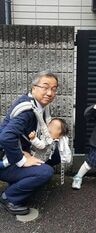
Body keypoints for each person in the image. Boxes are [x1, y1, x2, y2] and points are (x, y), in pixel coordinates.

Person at [0, 70, 58, 215]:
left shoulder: (37, 105)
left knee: (54, 155)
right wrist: (21, 160)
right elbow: (6, 137)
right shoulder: (27, 110)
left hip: (14, 149)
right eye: (45, 87)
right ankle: (10, 197)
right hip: (3, 157)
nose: (49, 93)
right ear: (33, 88)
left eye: (53, 89)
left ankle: (19, 181)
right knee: (45, 172)